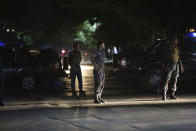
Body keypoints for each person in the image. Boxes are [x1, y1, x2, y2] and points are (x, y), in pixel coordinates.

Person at [161, 36, 184, 101]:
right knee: (166, 80)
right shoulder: (167, 48)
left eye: (176, 40)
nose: (177, 41)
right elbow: (163, 57)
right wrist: (163, 65)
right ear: (172, 41)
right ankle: (164, 95)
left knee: (175, 80)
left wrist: (181, 66)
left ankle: (172, 95)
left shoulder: (177, 48)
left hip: (176, 65)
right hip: (169, 65)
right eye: (175, 40)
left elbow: (178, 57)